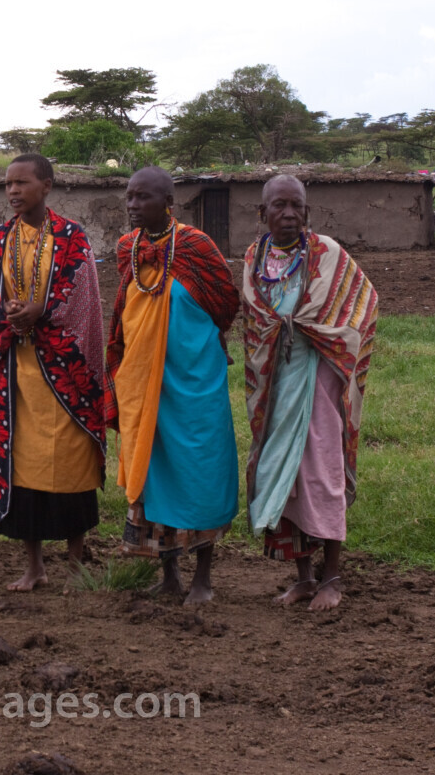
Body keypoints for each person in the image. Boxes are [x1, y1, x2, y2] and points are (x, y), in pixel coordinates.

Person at [242, 175, 378, 611]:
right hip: (276, 382)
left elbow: (363, 302)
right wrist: (277, 331)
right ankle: (303, 577)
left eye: (296, 206)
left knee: (323, 471)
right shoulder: (254, 256)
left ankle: (333, 578)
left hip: (319, 374)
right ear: (261, 214)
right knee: (286, 476)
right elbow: (254, 314)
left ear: (308, 211)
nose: (288, 214)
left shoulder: (327, 254)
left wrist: (305, 328)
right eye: (278, 206)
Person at [106, 167, 241, 606]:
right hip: (144, 382)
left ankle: (203, 576)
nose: (132, 205)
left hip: (195, 379)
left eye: (142, 197)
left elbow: (225, 302)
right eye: (128, 197)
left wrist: (190, 345)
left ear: (169, 202)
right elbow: (121, 318)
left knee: (200, 470)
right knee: (155, 474)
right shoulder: (128, 250)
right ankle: (168, 574)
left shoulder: (196, 246)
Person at [0, 153, 107, 591]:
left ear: (47, 185)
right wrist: (7, 312)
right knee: (21, 464)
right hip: (16, 372)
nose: (13, 191)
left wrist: (43, 311)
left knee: (70, 464)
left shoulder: (72, 238)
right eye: (8, 184)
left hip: (63, 373)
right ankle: (33, 566)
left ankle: (75, 563)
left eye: (22, 183)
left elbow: (82, 298)